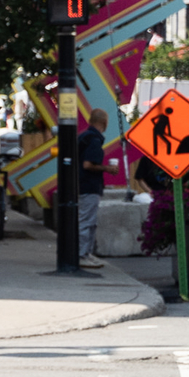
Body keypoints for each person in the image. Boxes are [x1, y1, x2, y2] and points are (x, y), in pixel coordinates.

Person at [77, 108, 107, 268]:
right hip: (89, 186)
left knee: (87, 220)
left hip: (81, 184)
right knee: (87, 221)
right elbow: (88, 165)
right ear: (104, 122)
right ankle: (82, 254)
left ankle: (85, 253)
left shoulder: (84, 137)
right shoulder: (94, 141)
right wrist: (107, 169)